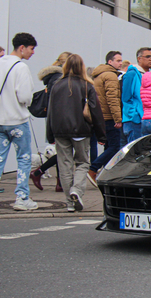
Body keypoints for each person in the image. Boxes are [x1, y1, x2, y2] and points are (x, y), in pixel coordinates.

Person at [47, 54, 107, 212]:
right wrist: (101, 135)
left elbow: (50, 111)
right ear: (82, 67)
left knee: (64, 165)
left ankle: (69, 203)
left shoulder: (57, 85)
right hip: (81, 130)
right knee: (82, 163)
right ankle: (77, 191)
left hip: (60, 131)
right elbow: (96, 111)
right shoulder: (87, 85)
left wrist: (49, 133)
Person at [0, 33, 38, 208]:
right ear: (22, 48)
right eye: (31, 49)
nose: (32, 53)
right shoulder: (20, 67)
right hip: (17, 120)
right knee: (23, 159)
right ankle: (22, 198)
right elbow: (25, 97)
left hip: (1, 120)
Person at [30, 51, 72, 193]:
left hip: (56, 119)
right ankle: (39, 172)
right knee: (64, 152)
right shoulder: (58, 78)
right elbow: (57, 102)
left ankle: (58, 182)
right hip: (60, 119)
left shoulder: (54, 78)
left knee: (63, 151)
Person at [88, 51, 123, 187]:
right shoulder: (110, 75)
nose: (120, 63)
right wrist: (118, 118)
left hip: (100, 116)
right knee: (114, 147)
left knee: (108, 146)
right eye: (118, 60)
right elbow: (112, 99)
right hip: (109, 117)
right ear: (110, 62)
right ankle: (93, 169)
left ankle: (104, 175)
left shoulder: (98, 75)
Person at [122, 47, 151, 142]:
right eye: (148, 56)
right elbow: (126, 97)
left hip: (147, 119)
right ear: (139, 58)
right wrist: (134, 115)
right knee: (135, 152)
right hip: (135, 120)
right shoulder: (132, 74)